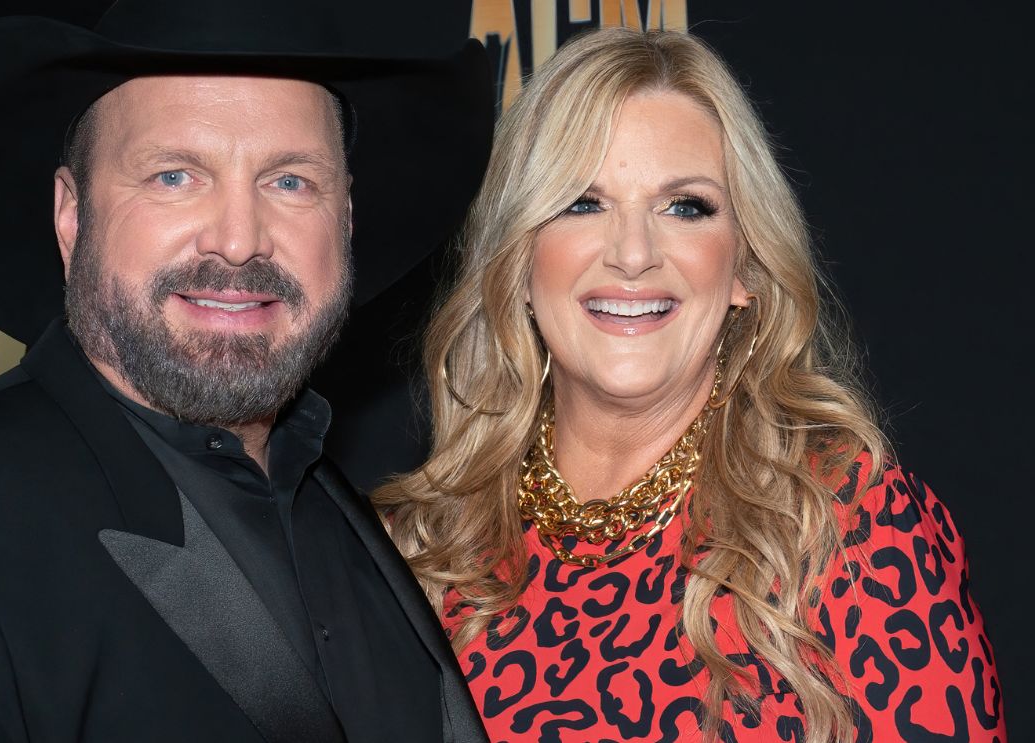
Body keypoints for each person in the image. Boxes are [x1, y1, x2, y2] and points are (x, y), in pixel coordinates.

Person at [0, 1, 494, 741]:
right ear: (72, 215)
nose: (238, 240)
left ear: (343, 220)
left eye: (289, 182)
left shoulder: (342, 508)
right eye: (174, 176)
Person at [374, 27, 1005, 743]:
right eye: (582, 202)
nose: (632, 253)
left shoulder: (842, 524)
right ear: (518, 262)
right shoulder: (418, 552)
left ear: (745, 267)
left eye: (684, 207)